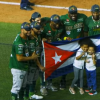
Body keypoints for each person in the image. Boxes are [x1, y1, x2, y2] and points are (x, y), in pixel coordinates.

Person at [60, 5, 88, 90]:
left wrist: (85, 40)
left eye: (75, 13)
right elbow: (60, 33)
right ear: (68, 13)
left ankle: (79, 81)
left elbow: (86, 30)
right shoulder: (62, 19)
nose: (73, 15)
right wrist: (65, 38)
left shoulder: (83, 17)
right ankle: (63, 80)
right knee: (66, 61)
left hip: (79, 44)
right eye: (71, 13)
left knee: (81, 62)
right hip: (68, 45)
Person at [9, 22, 39, 100]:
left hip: (23, 67)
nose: (29, 31)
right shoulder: (19, 43)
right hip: (18, 68)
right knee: (16, 88)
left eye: (30, 29)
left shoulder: (22, 36)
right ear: (22, 30)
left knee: (23, 86)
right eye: (27, 30)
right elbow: (19, 58)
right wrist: (32, 57)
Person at [41, 14, 64, 92]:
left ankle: (49, 84)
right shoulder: (45, 28)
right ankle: (42, 86)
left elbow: (61, 36)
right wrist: (42, 39)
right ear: (51, 22)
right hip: (44, 51)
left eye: (58, 23)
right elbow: (38, 37)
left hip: (53, 51)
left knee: (51, 68)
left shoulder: (60, 27)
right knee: (44, 68)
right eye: (55, 23)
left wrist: (64, 38)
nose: (57, 25)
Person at [24, 21, 45, 100]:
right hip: (31, 62)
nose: (39, 30)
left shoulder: (38, 36)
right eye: (37, 29)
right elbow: (33, 55)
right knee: (28, 81)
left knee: (34, 79)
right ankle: (26, 96)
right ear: (32, 29)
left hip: (36, 60)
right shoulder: (29, 39)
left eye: (39, 28)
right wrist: (40, 66)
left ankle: (31, 94)